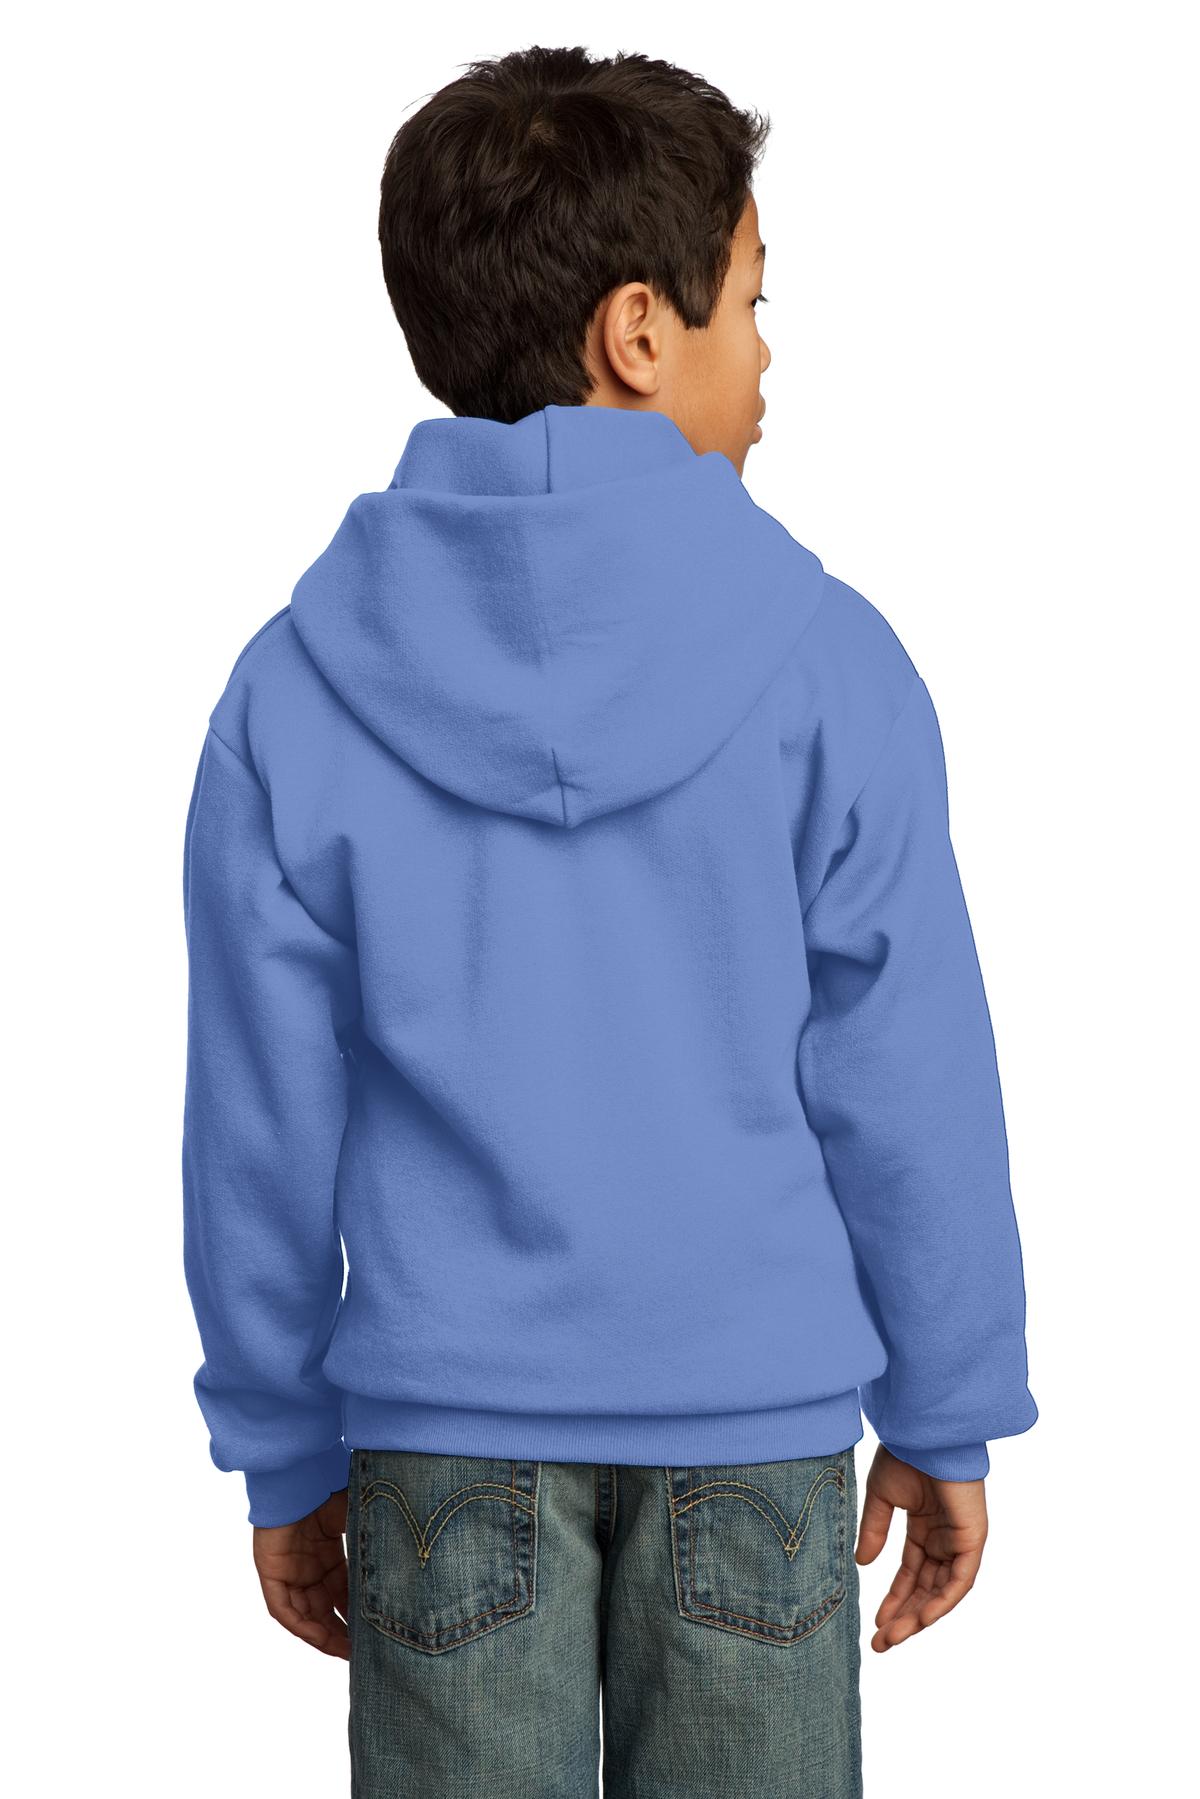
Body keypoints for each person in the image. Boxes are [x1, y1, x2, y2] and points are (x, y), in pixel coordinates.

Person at [180, 44, 1038, 1798]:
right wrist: (946, 1405)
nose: (770, 354)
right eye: (757, 303)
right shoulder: (829, 664)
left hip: (438, 1444)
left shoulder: (293, 690)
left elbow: (257, 1119)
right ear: (641, 332)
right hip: (755, 1437)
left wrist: (281, 1444)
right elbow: (911, 1078)